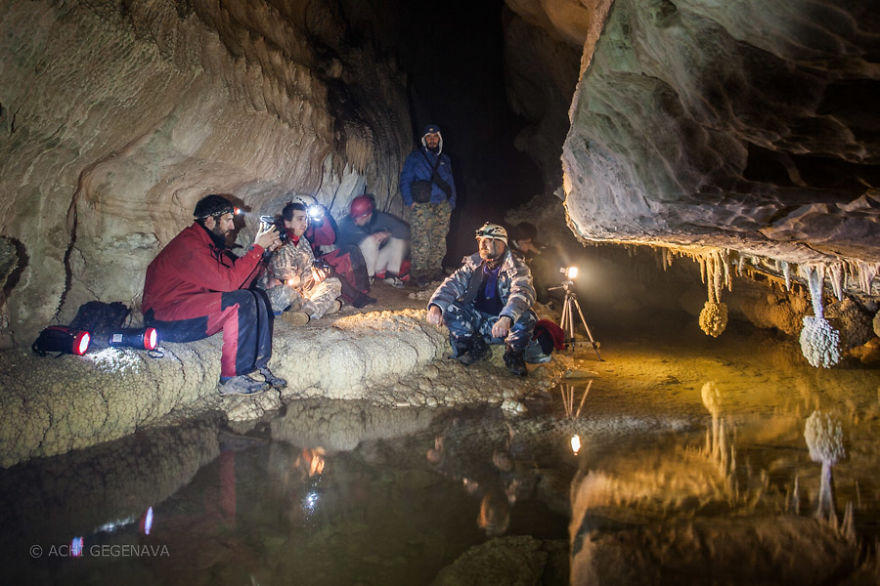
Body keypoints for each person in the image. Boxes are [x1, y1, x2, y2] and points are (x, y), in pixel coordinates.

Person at [142, 194, 286, 395]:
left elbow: (241, 283)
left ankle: (257, 366)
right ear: (210, 220)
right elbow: (229, 284)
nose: (232, 227)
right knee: (241, 302)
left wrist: (264, 253)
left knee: (257, 297)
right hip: (164, 318)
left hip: (188, 309)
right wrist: (257, 247)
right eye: (228, 220)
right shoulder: (189, 246)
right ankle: (230, 379)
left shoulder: (210, 246)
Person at [426, 222, 536, 376]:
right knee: (448, 307)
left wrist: (507, 318)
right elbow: (453, 282)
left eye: (488, 241)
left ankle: (514, 354)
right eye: (480, 241)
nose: (482, 245)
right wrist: (436, 306)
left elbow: (523, 292)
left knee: (526, 317)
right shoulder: (475, 263)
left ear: (501, 243)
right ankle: (474, 347)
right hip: (477, 319)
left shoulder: (516, 266)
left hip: (500, 326)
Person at [262, 201, 343, 325]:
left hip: (302, 290)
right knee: (287, 293)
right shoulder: (277, 241)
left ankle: (305, 311)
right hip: (281, 291)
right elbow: (287, 279)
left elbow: (308, 269)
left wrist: (317, 273)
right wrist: (307, 281)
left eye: (306, 219)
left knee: (333, 283)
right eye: (300, 219)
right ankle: (317, 307)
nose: (304, 223)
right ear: (287, 222)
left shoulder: (304, 241)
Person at [290, 194, 376, 308]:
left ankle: (361, 292)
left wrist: (323, 217)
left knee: (351, 250)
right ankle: (354, 297)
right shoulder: (288, 227)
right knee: (324, 267)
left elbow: (330, 239)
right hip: (301, 271)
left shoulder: (310, 227)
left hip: (316, 261)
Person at [400, 124, 457, 287]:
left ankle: (435, 271)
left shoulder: (445, 159)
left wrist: (451, 203)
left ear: (440, 139)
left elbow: (450, 183)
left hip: (442, 205)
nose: (432, 140)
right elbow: (405, 179)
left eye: (435, 137)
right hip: (422, 204)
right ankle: (419, 273)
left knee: (439, 240)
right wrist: (410, 202)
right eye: (429, 137)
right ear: (424, 140)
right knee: (421, 240)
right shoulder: (415, 157)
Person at [336, 194, 411, 288]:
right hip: (353, 266)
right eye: (354, 217)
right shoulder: (346, 223)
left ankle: (391, 275)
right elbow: (342, 248)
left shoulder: (379, 218)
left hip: (374, 262)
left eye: (359, 217)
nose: (356, 220)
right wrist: (372, 236)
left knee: (398, 240)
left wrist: (388, 234)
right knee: (370, 241)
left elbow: (405, 231)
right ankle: (367, 278)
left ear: (368, 215)